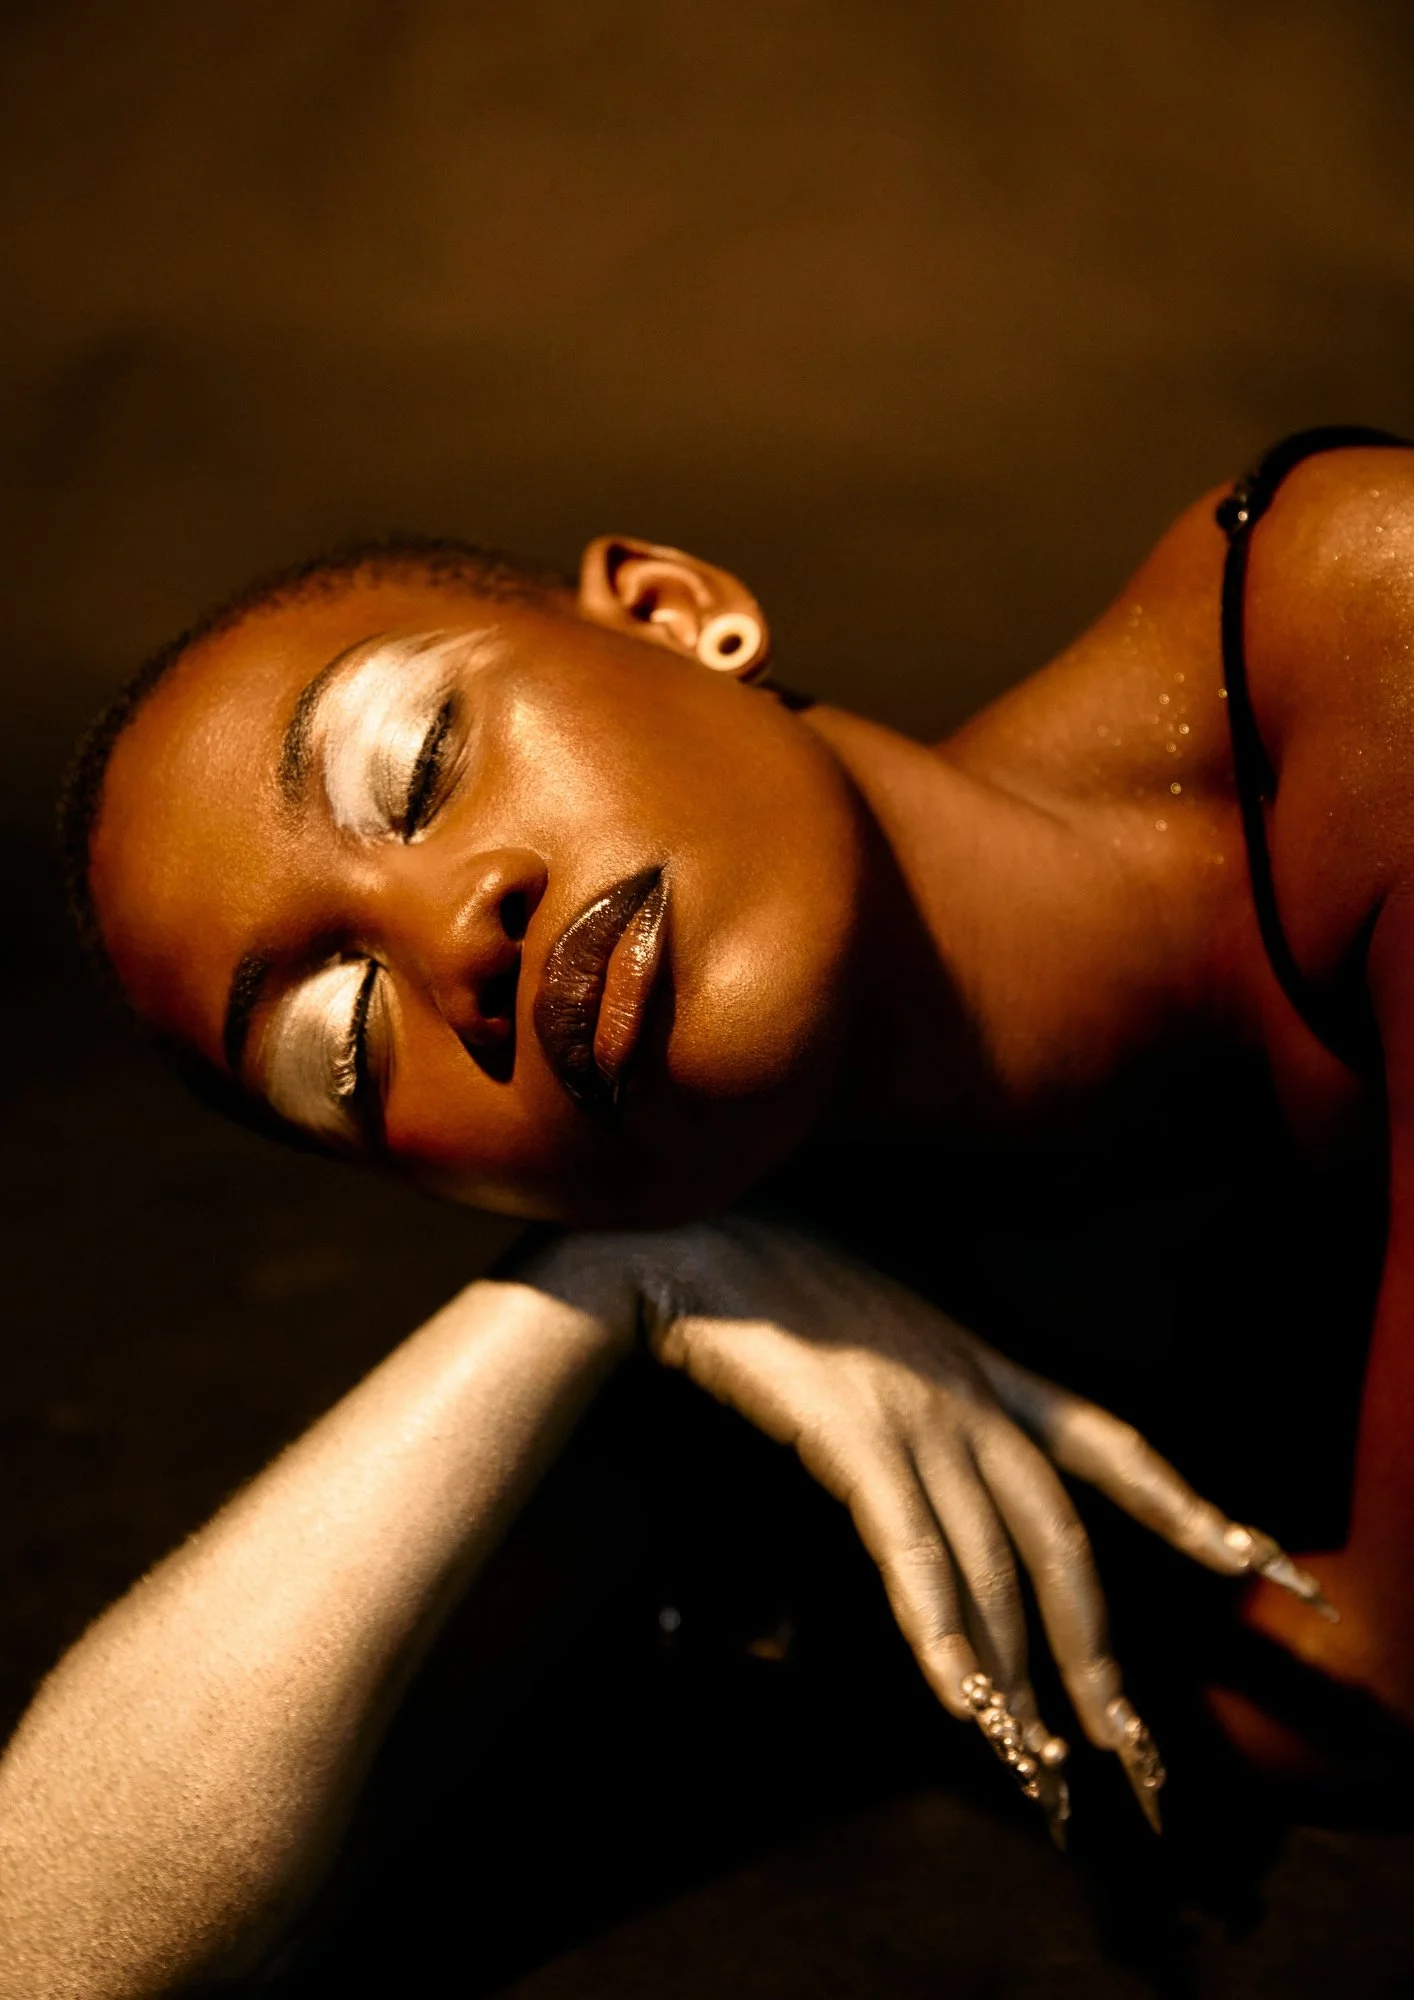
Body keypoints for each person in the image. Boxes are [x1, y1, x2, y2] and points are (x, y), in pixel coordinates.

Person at [1, 426, 1409, 1994]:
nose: (454, 938)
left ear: (676, 614)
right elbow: (42, 1954)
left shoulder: (1362, 638)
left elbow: (1389, 1679)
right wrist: (595, 1295)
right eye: (344, 1042)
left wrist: (852, 1652)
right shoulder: (784, 1338)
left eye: (418, 768)